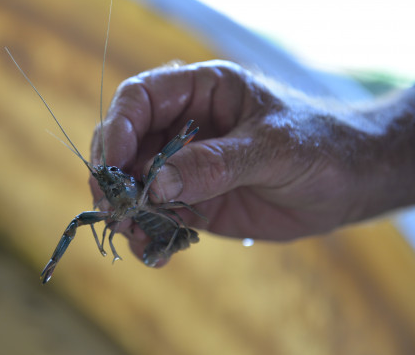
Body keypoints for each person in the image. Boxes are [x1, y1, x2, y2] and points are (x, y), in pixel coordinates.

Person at [90, 60, 415, 266]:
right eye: (108, 179)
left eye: (114, 175)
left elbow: (162, 162)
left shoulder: (149, 182)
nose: (111, 181)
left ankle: (166, 240)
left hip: (165, 219)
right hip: (162, 221)